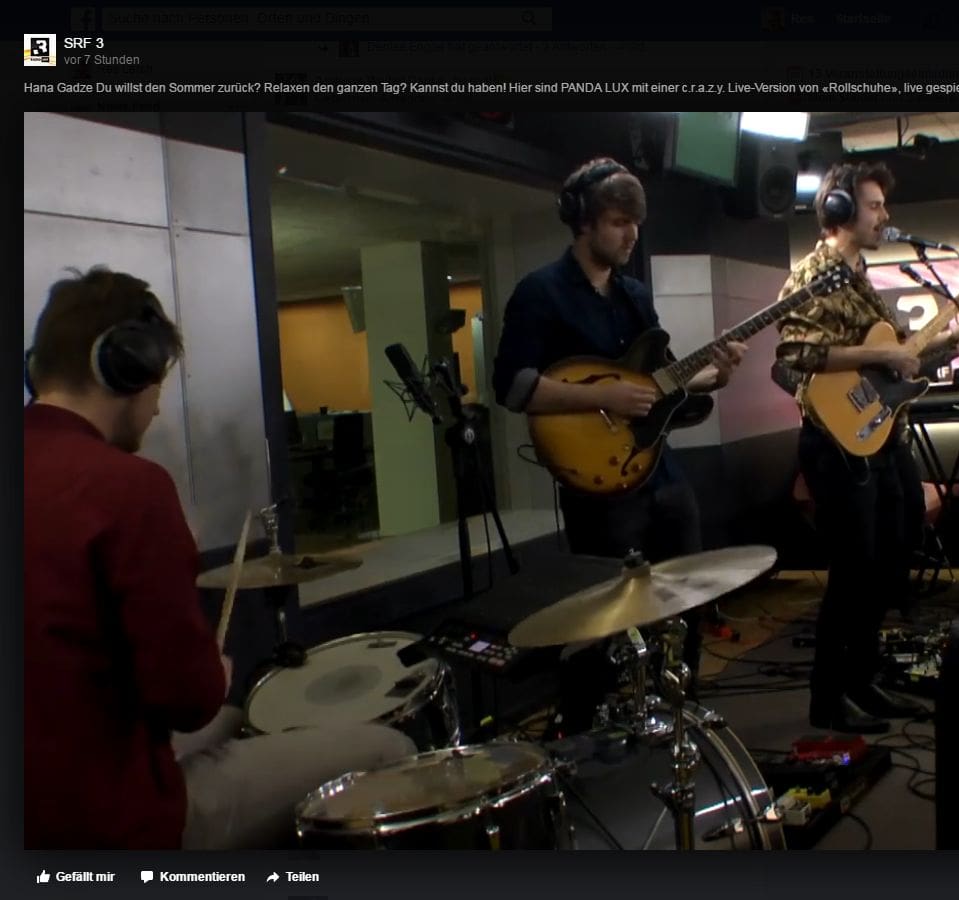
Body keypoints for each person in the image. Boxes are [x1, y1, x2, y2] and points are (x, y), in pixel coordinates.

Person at [23, 268, 416, 849]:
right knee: (389, 747)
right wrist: (213, 671)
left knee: (234, 717)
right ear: (125, 367)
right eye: (158, 383)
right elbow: (186, 700)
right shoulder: (128, 488)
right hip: (109, 818)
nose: (158, 408)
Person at [492, 158, 745, 730]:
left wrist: (716, 376)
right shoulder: (540, 292)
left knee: (686, 599)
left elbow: (659, 384)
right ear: (582, 221)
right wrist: (601, 395)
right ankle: (591, 732)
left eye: (636, 223)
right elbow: (513, 385)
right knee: (606, 617)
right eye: (617, 222)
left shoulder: (634, 295)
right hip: (600, 482)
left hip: (660, 470)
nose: (631, 234)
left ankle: (677, 709)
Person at [775, 163, 959, 733]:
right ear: (839, 211)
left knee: (898, 543)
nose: (885, 215)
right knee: (854, 566)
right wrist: (881, 355)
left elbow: (901, 362)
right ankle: (827, 696)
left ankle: (863, 679)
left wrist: (955, 337)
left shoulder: (863, 278)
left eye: (884, 205)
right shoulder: (813, 274)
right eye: (874, 205)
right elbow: (794, 356)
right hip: (834, 441)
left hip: (883, 435)